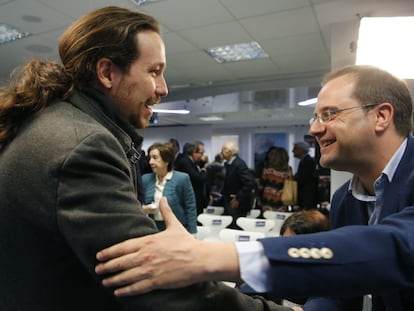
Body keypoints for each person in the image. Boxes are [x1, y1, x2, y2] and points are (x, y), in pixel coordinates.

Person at [0, 6, 294, 311]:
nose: (163, 88)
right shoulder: (85, 147)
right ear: (107, 73)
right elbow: (154, 283)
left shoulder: (50, 124)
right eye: (154, 71)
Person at [95, 64, 414, 311]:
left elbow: (395, 249)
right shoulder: (347, 199)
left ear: (381, 116)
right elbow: (341, 287)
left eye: (329, 115)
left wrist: (211, 257)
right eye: (314, 117)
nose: (315, 129)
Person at [142, 142, 197, 234]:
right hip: (153, 229)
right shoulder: (145, 179)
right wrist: (143, 209)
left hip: (177, 229)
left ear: (166, 160)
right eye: (150, 158)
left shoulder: (182, 178)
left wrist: (192, 233)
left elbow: (190, 207)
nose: (150, 162)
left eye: (155, 158)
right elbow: (136, 204)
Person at [221, 141, 255, 228]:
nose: (221, 152)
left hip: (236, 204)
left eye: (223, 150)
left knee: (235, 227)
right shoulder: (230, 164)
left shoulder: (239, 164)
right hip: (229, 201)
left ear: (230, 152)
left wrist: (238, 197)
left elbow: (249, 182)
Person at [175, 140, 209, 215]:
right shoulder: (185, 162)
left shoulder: (192, 162)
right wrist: (204, 171)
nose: (202, 156)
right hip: (190, 200)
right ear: (194, 152)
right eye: (201, 153)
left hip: (197, 199)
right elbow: (199, 179)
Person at [256, 146, 291, 212]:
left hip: (268, 200)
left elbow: (261, 187)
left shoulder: (268, 171)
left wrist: (258, 198)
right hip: (282, 201)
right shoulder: (288, 171)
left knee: (268, 219)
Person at [292, 142, 319, 210]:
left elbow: (302, 178)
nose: (293, 151)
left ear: (302, 150)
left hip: (307, 197)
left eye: (295, 148)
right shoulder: (304, 161)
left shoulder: (308, 161)